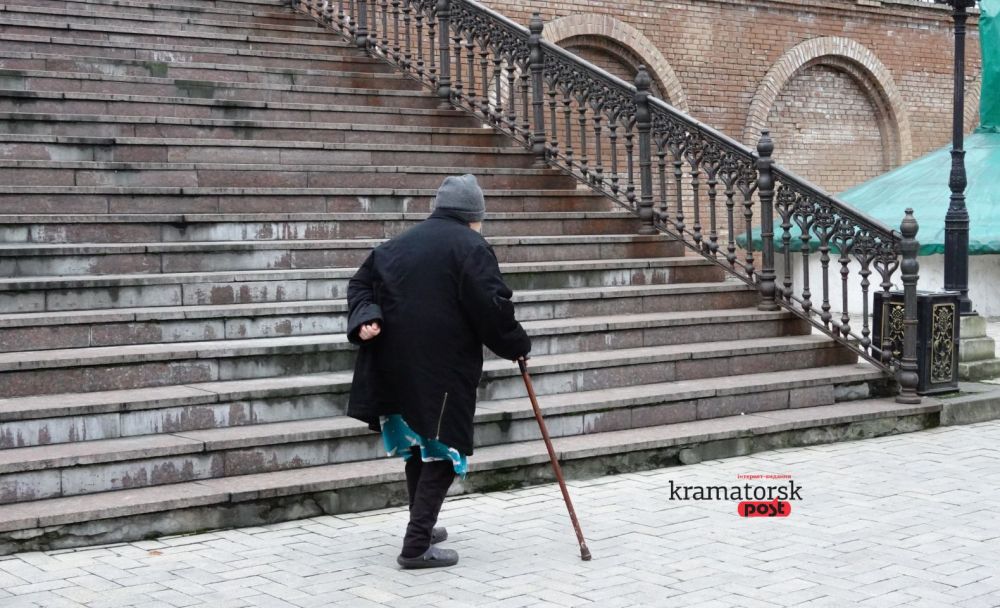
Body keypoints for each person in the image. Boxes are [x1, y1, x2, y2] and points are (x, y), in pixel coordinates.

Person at [346, 174, 531, 569]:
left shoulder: (397, 245)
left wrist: (366, 317)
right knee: (445, 451)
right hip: (439, 369)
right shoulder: (471, 246)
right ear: (474, 215)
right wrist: (517, 345)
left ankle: (422, 526)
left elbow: (359, 285)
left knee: (419, 445)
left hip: (392, 367)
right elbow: (492, 307)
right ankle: (415, 547)